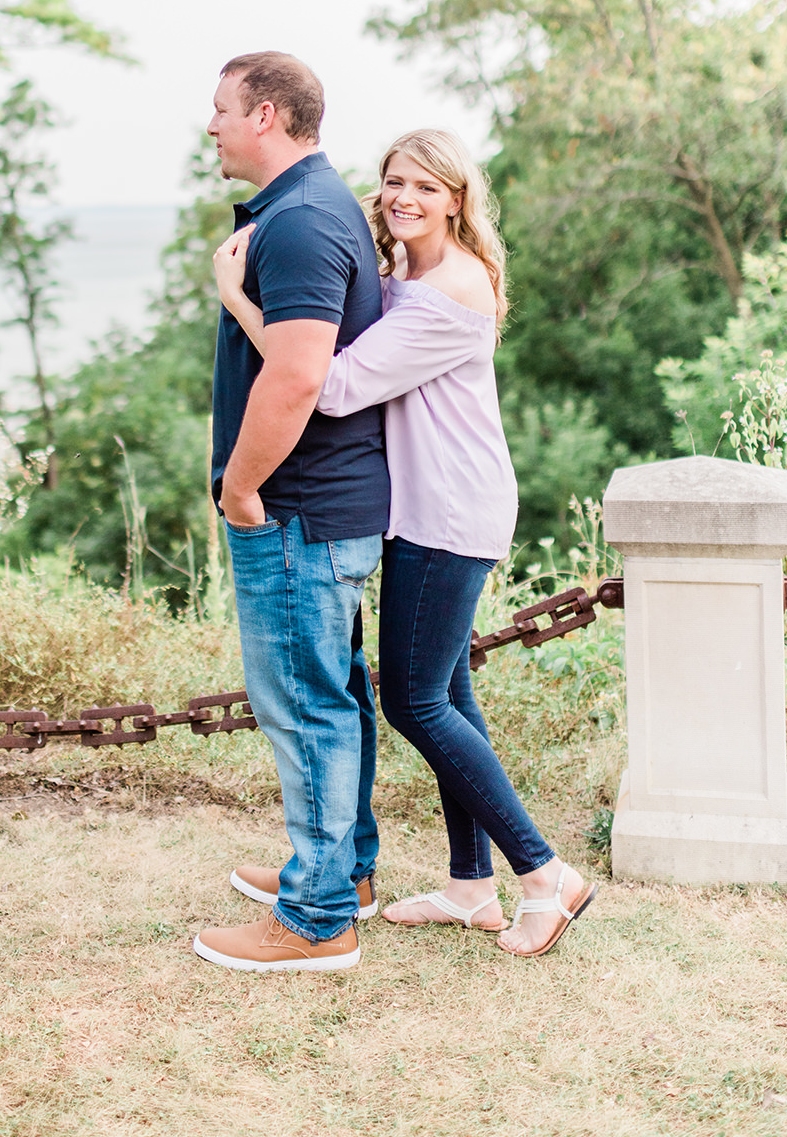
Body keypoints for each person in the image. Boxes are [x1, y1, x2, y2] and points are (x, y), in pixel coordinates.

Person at [214, 127, 597, 959]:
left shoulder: (452, 290)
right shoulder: (409, 275)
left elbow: (339, 384)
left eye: (425, 187)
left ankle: (542, 874)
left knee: (414, 702)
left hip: (448, 513)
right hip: (424, 507)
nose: (403, 198)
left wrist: (241, 298)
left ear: (457, 198)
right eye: (392, 182)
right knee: (448, 698)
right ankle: (469, 887)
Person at [192, 52, 391, 974]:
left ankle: (315, 921)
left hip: (296, 510)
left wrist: (238, 488)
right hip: (318, 508)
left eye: (222, 110)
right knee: (331, 696)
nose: (212, 126)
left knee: (303, 704)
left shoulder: (303, 220)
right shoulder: (307, 206)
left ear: (265, 115)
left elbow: (302, 373)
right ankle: (339, 874)